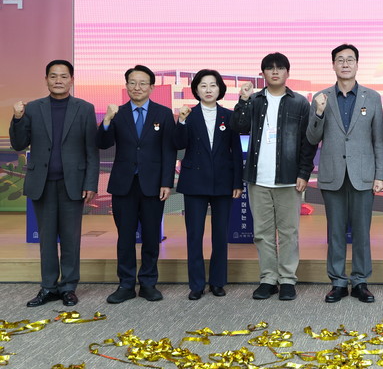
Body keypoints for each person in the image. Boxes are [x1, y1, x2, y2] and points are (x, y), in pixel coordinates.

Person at [9, 60, 99, 307]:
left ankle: (68, 287)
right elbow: (18, 144)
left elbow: (91, 150)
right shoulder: (33, 108)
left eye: (63, 76)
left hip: (73, 184)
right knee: (46, 240)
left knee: (70, 239)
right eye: (53, 76)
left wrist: (91, 183)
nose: (58, 80)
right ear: (46, 79)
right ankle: (48, 287)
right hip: (43, 183)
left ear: (72, 79)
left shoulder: (85, 109)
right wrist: (17, 118)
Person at [231, 53, 316, 302]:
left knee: (289, 232)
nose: (275, 72)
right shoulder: (254, 100)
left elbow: (308, 142)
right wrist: (243, 100)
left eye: (280, 68)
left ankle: (287, 279)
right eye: (270, 68)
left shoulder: (299, 103)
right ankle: (268, 278)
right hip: (258, 178)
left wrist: (304, 173)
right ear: (263, 74)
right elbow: (239, 126)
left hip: (289, 179)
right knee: (262, 233)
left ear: (288, 73)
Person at [306, 44, 383, 304]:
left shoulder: (372, 97)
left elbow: (378, 140)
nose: (345, 64)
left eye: (350, 60)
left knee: (362, 232)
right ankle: (338, 282)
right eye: (340, 60)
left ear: (357, 65)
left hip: (363, 175)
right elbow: (312, 137)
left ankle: (360, 281)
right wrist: (319, 112)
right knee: (336, 232)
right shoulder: (321, 97)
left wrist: (380, 175)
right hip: (333, 174)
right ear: (333, 65)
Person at [97, 65, 176, 304]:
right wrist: (106, 120)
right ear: (126, 86)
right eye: (132, 82)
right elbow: (102, 143)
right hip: (124, 185)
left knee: (151, 237)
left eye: (142, 83)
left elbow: (169, 150)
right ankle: (126, 284)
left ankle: (149, 283)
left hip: (153, 184)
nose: (137, 87)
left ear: (151, 87)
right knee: (125, 237)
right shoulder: (117, 113)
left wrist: (166, 182)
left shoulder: (163, 113)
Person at [173, 69, 243, 300]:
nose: (208, 89)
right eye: (203, 85)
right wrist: (181, 121)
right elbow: (179, 143)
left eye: (213, 85)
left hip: (223, 182)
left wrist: (237, 182)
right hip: (194, 183)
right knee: (194, 235)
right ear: (196, 90)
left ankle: (217, 282)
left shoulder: (229, 116)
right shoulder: (188, 115)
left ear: (220, 89)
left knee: (220, 235)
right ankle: (196, 284)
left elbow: (235, 152)